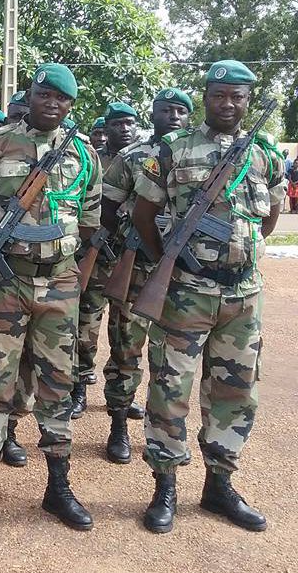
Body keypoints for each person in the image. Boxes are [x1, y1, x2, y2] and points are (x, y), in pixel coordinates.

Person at [132, 60, 282, 534]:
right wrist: (175, 261)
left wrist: (243, 257)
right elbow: (143, 214)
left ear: (247, 101)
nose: (229, 103)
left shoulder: (263, 153)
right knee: (170, 389)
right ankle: (165, 488)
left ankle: (220, 485)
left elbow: (272, 212)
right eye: (220, 94)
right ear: (206, 96)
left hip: (243, 296)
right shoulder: (174, 149)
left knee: (235, 394)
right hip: (186, 294)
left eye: (238, 96)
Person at [0, 63, 100, 530]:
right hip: (5, 282)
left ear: (70, 105)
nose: (52, 104)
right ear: (31, 94)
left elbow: (92, 219)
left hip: (59, 285)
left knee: (58, 386)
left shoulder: (83, 152)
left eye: (61, 99)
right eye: (44, 95)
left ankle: (58, 487)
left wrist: (71, 273)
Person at [98, 88, 193, 466]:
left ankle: (165, 436)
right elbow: (106, 210)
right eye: (165, 110)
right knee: (125, 351)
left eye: (181, 111)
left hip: (186, 276)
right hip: (137, 269)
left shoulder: (198, 156)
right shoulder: (131, 158)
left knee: (172, 361)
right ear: (151, 114)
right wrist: (126, 246)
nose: (173, 116)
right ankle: (118, 427)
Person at [72, 101, 139, 419]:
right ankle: (80, 388)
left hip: (131, 258)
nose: (124, 129)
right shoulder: (91, 159)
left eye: (130, 123)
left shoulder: (144, 161)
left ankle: (123, 398)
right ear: (107, 128)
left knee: (126, 332)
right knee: (85, 326)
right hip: (96, 255)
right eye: (118, 124)